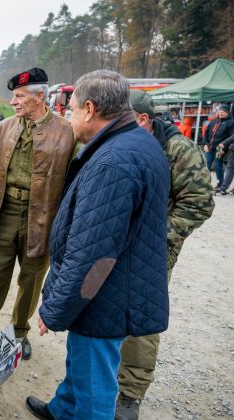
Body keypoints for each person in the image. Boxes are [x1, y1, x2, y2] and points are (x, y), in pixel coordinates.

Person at [26, 70, 170, 420]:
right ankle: (63, 409)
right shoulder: (137, 141)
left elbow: (91, 256)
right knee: (82, 358)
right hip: (114, 287)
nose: (69, 117)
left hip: (106, 293)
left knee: (95, 385)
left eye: (71, 109)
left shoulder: (112, 162)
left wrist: (54, 310)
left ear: (89, 109)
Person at [115, 91, 214, 419]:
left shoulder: (179, 150)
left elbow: (200, 202)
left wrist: (157, 236)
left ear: (143, 120)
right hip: (117, 242)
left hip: (154, 250)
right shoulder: (127, 141)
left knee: (140, 318)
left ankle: (130, 394)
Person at [0, 67, 75, 360]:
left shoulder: (67, 132)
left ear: (40, 97)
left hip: (42, 219)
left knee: (31, 280)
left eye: (19, 96)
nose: (13, 102)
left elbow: (73, 183)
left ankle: (19, 333)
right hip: (5, 212)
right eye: (14, 96)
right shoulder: (3, 128)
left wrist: (63, 226)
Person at [203, 105, 234, 189]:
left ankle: (220, 184)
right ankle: (205, 183)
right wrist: (205, 144)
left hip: (219, 149)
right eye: (219, 111)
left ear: (227, 113)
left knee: (218, 166)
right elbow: (206, 134)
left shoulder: (231, 122)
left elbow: (231, 137)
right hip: (209, 148)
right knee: (206, 165)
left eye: (223, 112)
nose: (220, 113)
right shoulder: (213, 121)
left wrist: (223, 148)